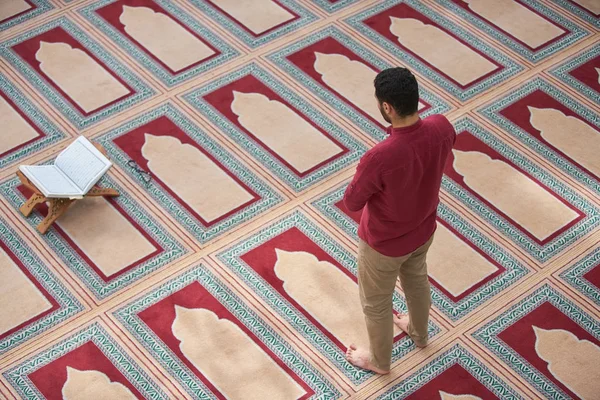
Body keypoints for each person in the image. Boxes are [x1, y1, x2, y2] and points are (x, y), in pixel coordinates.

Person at [344, 67, 456, 374]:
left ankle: (379, 362)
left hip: (383, 245)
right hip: (423, 229)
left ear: (387, 107)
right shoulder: (442, 126)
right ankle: (419, 333)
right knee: (416, 279)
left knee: (376, 303)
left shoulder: (380, 157)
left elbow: (352, 200)